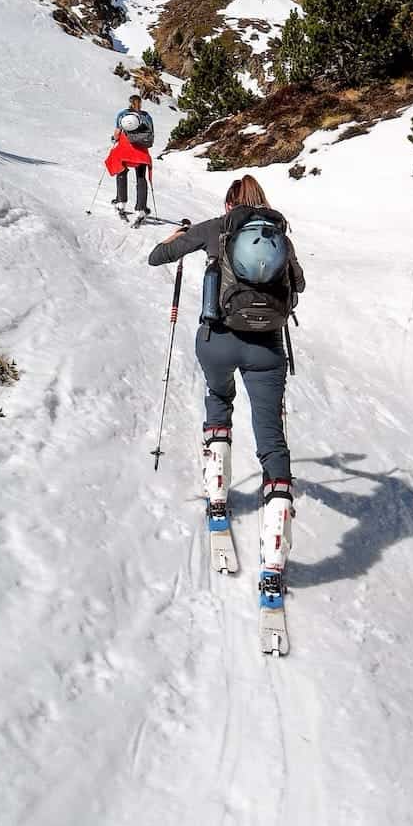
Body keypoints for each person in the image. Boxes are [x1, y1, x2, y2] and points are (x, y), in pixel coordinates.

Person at [147, 174, 305, 582]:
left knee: (219, 400)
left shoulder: (216, 229)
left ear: (228, 205)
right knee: (271, 438)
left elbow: (157, 258)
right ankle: (274, 555)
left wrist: (175, 237)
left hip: (216, 339)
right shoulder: (279, 238)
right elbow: (299, 284)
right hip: (266, 348)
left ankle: (217, 493)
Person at [105, 95, 154, 217]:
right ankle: (141, 209)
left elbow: (117, 134)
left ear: (129, 103)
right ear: (141, 103)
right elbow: (151, 134)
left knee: (121, 171)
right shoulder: (146, 116)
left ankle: (121, 202)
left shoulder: (122, 114)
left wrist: (114, 139)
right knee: (141, 177)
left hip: (125, 149)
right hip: (141, 151)